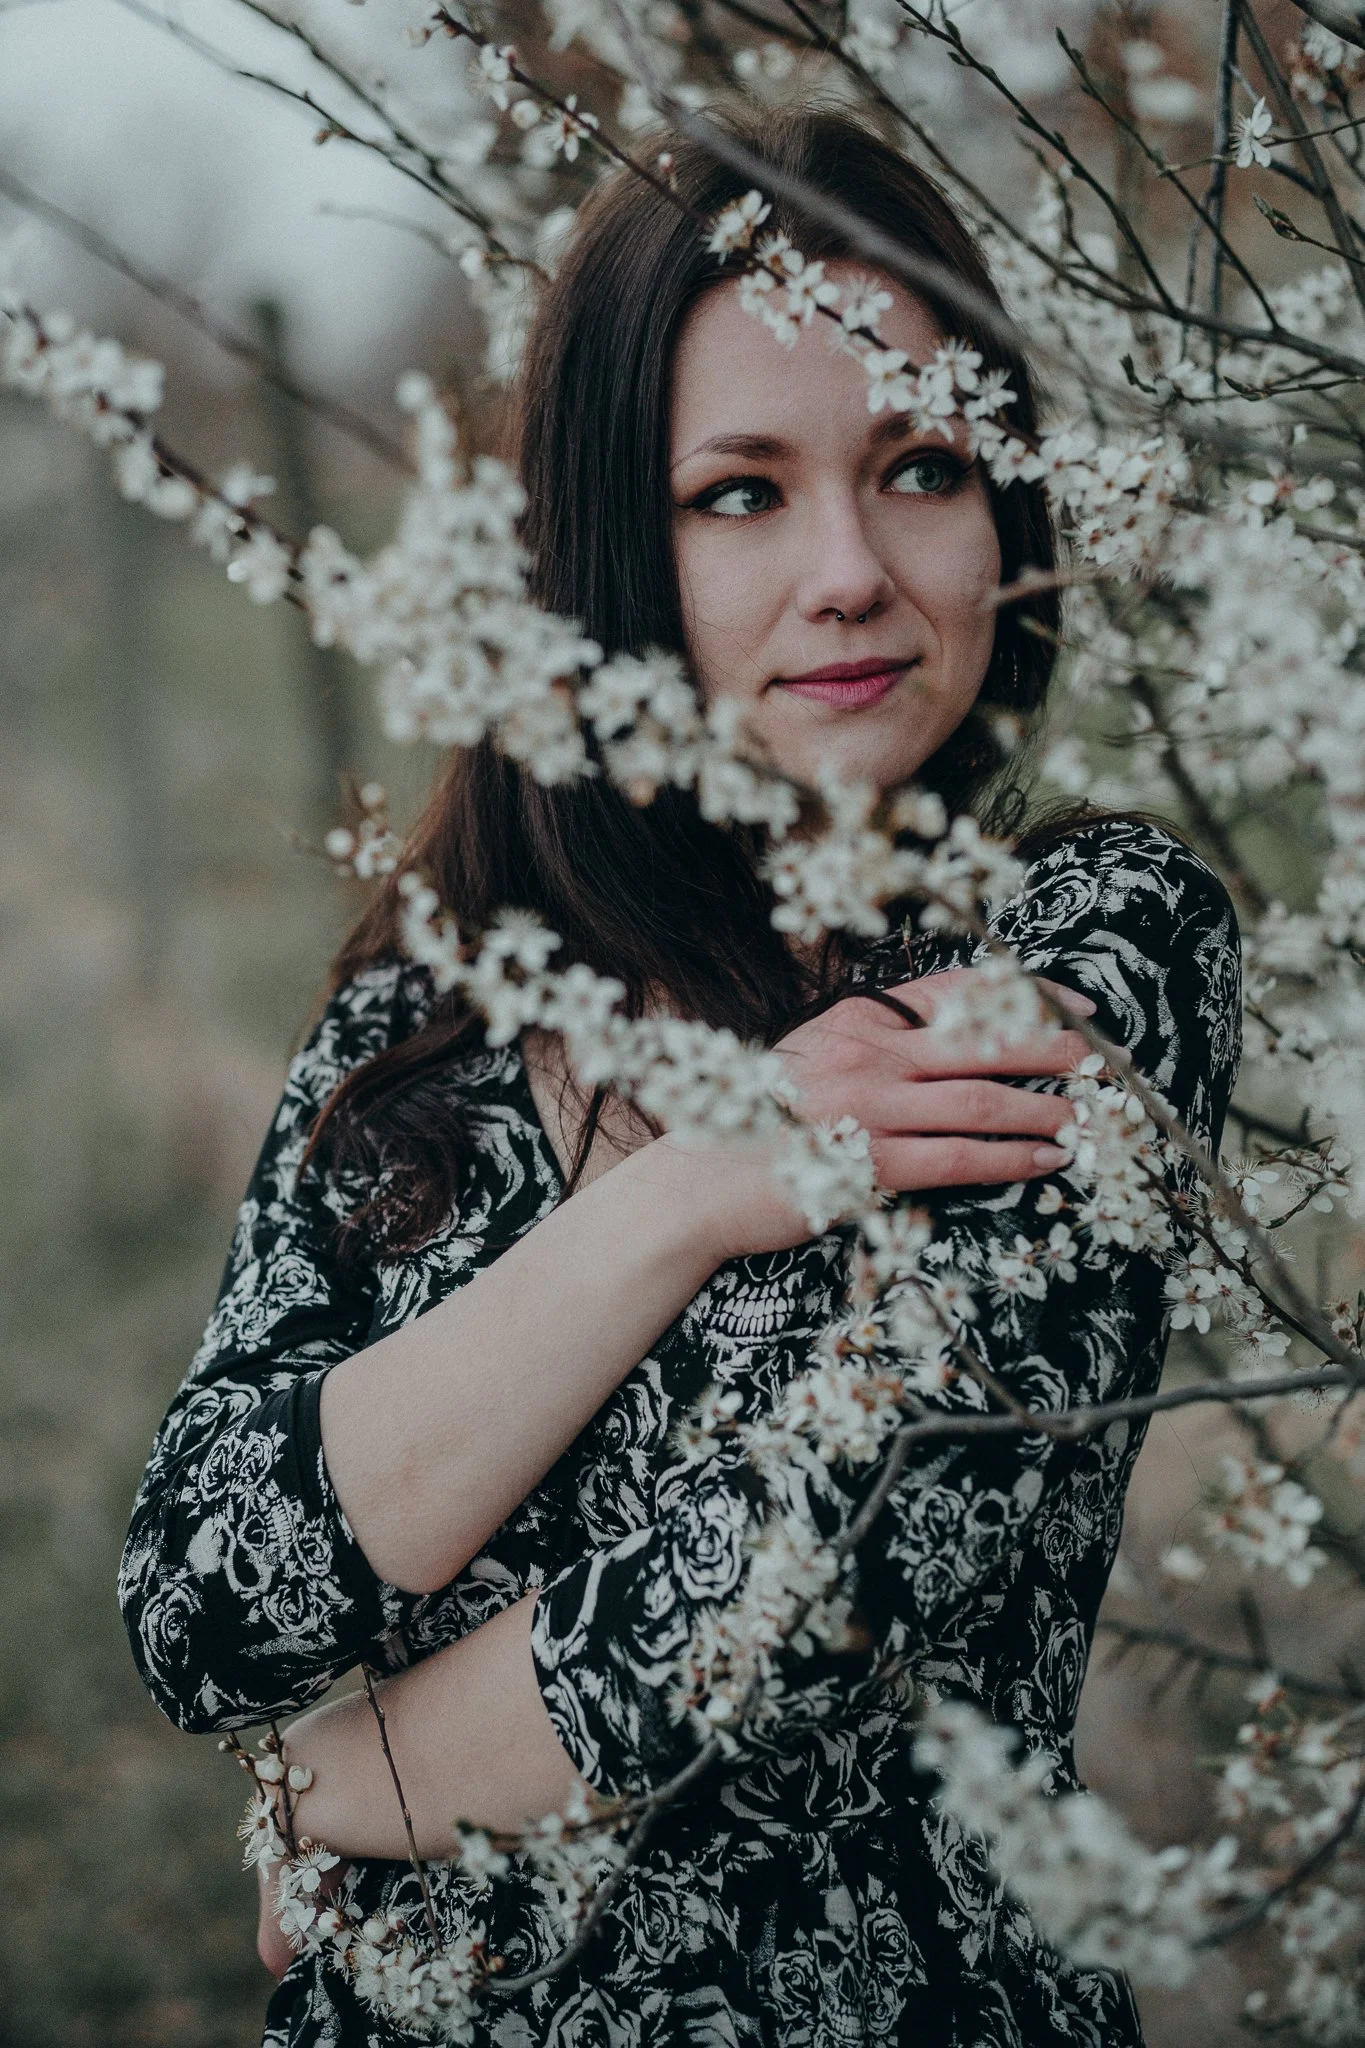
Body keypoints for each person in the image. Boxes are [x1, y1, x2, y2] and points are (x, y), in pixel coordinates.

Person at [119, 105, 1241, 2047]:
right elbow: (205, 1607)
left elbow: (825, 1578)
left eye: (921, 466)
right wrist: (684, 1193)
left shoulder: (1083, 946)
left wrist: (327, 1788)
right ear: (604, 541)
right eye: (739, 490)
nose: (850, 571)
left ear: (1012, 514)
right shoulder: (437, 1017)